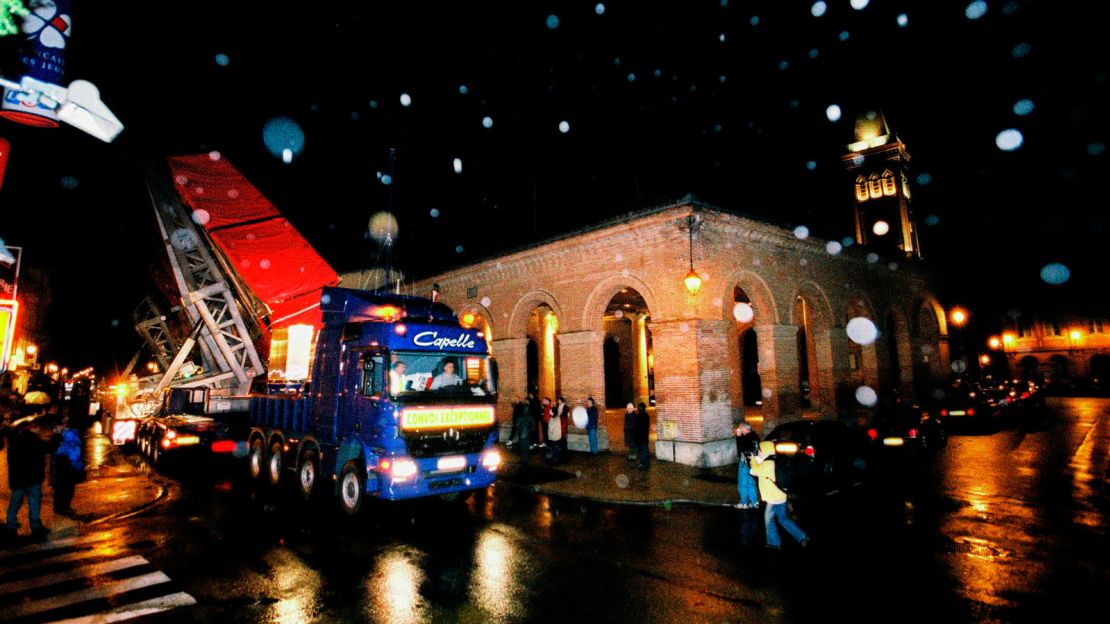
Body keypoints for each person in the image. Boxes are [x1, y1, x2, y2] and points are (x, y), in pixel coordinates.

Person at [3, 411, 57, 541]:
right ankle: (36, 527)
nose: (38, 428)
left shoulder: (15, 441)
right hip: (32, 478)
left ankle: (10, 525)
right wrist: (57, 436)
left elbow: (11, 461)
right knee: (34, 502)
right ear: (31, 428)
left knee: (15, 502)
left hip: (18, 478)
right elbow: (49, 447)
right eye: (36, 426)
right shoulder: (34, 440)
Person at [750, 440, 809, 551]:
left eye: (760, 451)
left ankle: (774, 543)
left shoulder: (767, 464)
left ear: (766, 451)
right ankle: (803, 537)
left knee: (768, 519)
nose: (759, 452)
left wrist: (753, 459)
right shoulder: (775, 461)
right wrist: (757, 458)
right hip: (781, 496)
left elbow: (753, 470)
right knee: (783, 519)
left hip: (773, 498)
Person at [50, 415, 85, 517]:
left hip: (63, 464)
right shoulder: (70, 435)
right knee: (66, 489)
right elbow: (74, 453)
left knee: (62, 489)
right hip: (67, 465)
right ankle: (63, 508)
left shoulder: (63, 436)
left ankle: (60, 508)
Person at [733, 422, 761, 509]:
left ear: (744, 429)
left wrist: (738, 436)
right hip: (753, 463)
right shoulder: (755, 436)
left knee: (742, 483)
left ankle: (743, 502)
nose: (739, 430)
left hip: (745, 462)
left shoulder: (745, 438)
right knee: (751, 482)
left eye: (740, 428)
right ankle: (754, 502)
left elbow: (741, 448)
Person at [633, 402, 651, 469]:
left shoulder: (643, 416)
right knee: (642, 451)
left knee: (643, 451)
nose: (639, 409)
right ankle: (644, 463)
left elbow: (640, 427)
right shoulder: (643, 416)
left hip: (642, 437)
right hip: (641, 437)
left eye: (640, 407)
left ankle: (644, 464)